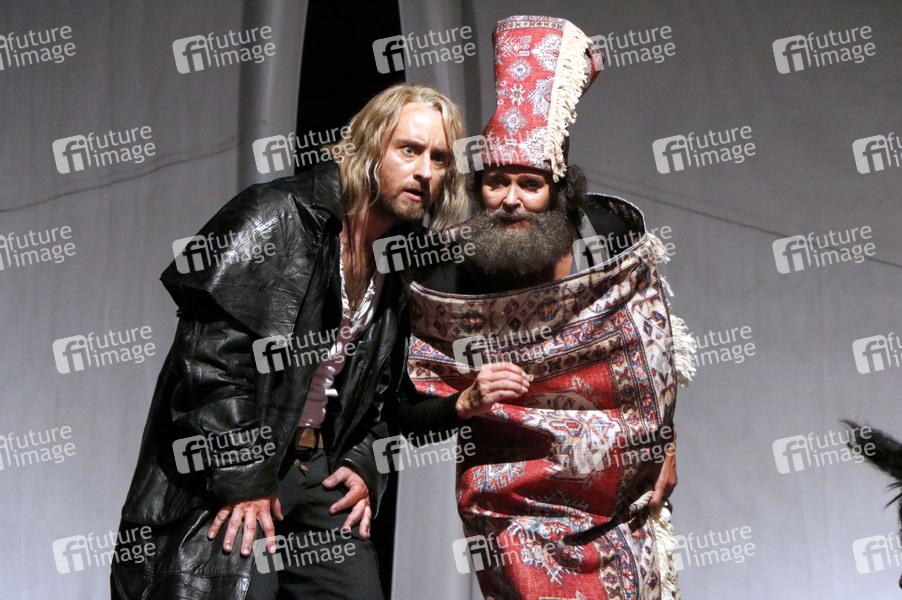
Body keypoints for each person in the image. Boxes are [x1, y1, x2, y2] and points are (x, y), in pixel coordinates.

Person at [110, 83, 467, 600]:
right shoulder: (278, 215)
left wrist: (363, 463)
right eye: (409, 150)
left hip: (315, 468)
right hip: (234, 467)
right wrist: (244, 477)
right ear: (368, 147)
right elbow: (208, 365)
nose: (425, 171)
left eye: (439, 158)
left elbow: (382, 395)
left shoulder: (398, 262)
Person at [400, 16, 694, 599]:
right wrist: (466, 400)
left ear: (559, 192)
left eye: (530, 184)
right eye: (496, 182)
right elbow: (406, 413)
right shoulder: (446, 278)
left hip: (617, 497)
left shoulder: (607, 245)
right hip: (511, 500)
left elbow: (653, 361)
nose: (511, 200)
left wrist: (664, 444)